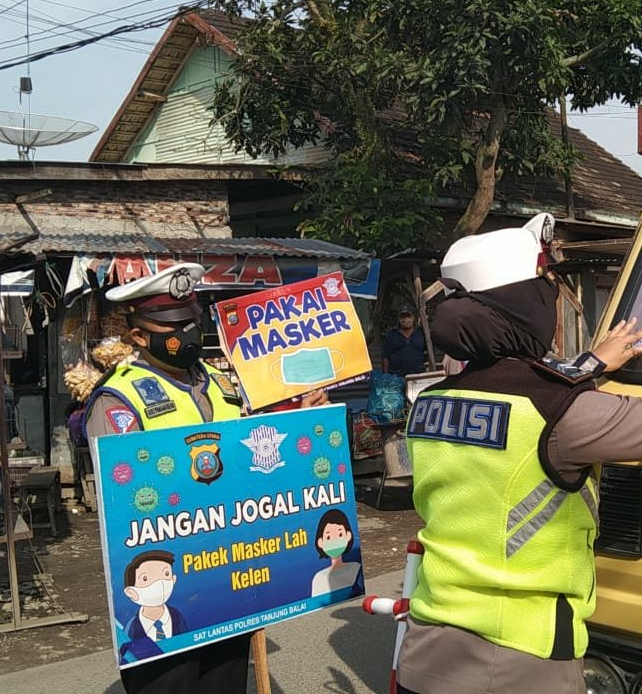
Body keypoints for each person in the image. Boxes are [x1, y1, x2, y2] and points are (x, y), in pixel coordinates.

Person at [395, 214, 642, 694]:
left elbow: (513, 397)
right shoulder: (564, 414)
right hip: (517, 660)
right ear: (525, 307)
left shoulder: (429, 404)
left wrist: (593, 363)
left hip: (427, 648)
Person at [84, 263, 326, 694]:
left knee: (226, 682)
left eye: (193, 322)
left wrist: (301, 416)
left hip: (228, 578)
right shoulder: (118, 398)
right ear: (139, 336)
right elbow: (120, 503)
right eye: (174, 326)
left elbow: (255, 448)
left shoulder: (221, 383)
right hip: (166, 583)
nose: (189, 333)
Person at [382, 305, 428, 376]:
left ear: (413, 317)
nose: (406, 320)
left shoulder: (421, 333)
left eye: (409, 316)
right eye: (403, 317)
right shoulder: (392, 335)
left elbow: (429, 352)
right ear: (399, 319)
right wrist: (385, 375)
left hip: (419, 375)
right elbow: (385, 356)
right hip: (396, 377)